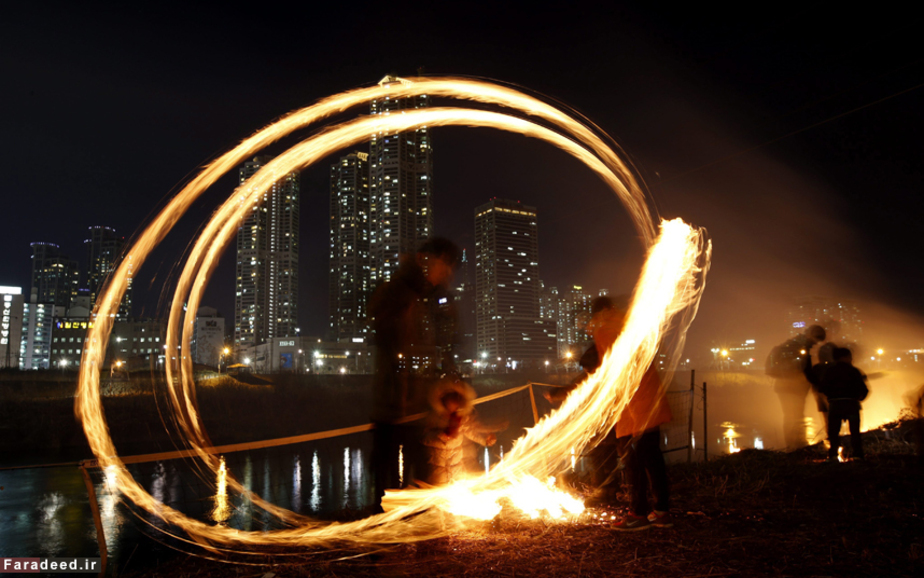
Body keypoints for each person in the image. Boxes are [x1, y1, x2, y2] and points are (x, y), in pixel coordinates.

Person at [369, 237, 461, 509]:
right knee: (389, 483)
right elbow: (395, 345)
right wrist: (402, 392)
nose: (448, 272)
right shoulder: (402, 293)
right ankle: (387, 526)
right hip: (395, 408)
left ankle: (410, 523)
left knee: (420, 478)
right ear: (426, 259)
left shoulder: (427, 298)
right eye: (445, 264)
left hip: (416, 409)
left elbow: (438, 349)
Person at [583, 297, 673, 531]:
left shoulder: (606, 331)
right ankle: (661, 511)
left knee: (633, 463)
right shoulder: (629, 327)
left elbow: (610, 371)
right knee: (652, 458)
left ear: (601, 313)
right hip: (649, 402)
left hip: (634, 408)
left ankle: (638, 514)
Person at [422, 377, 502, 484]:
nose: (454, 407)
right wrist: (442, 437)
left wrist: (485, 439)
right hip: (438, 472)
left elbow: (470, 431)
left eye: (456, 404)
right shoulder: (435, 418)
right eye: (451, 403)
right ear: (444, 401)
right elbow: (425, 438)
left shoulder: (460, 418)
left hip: (456, 470)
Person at [766, 325, 826, 450]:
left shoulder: (790, 345)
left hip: (781, 386)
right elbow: (807, 371)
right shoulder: (802, 348)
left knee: (788, 415)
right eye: (817, 340)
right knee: (797, 415)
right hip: (796, 388)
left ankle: (790, 444)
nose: (816, 344)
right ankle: (798, 444)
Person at [819, 347, 869, 462]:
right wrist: (858, 398)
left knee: (833, 432)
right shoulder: (854, 371)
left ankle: (833, 455)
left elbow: (822, 388)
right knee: (855, 432)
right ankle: (857, 455)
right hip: (851, 404)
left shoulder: (830, 371)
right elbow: (864, 389)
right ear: (846, 357)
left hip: (835, 404)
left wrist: (831, 396)